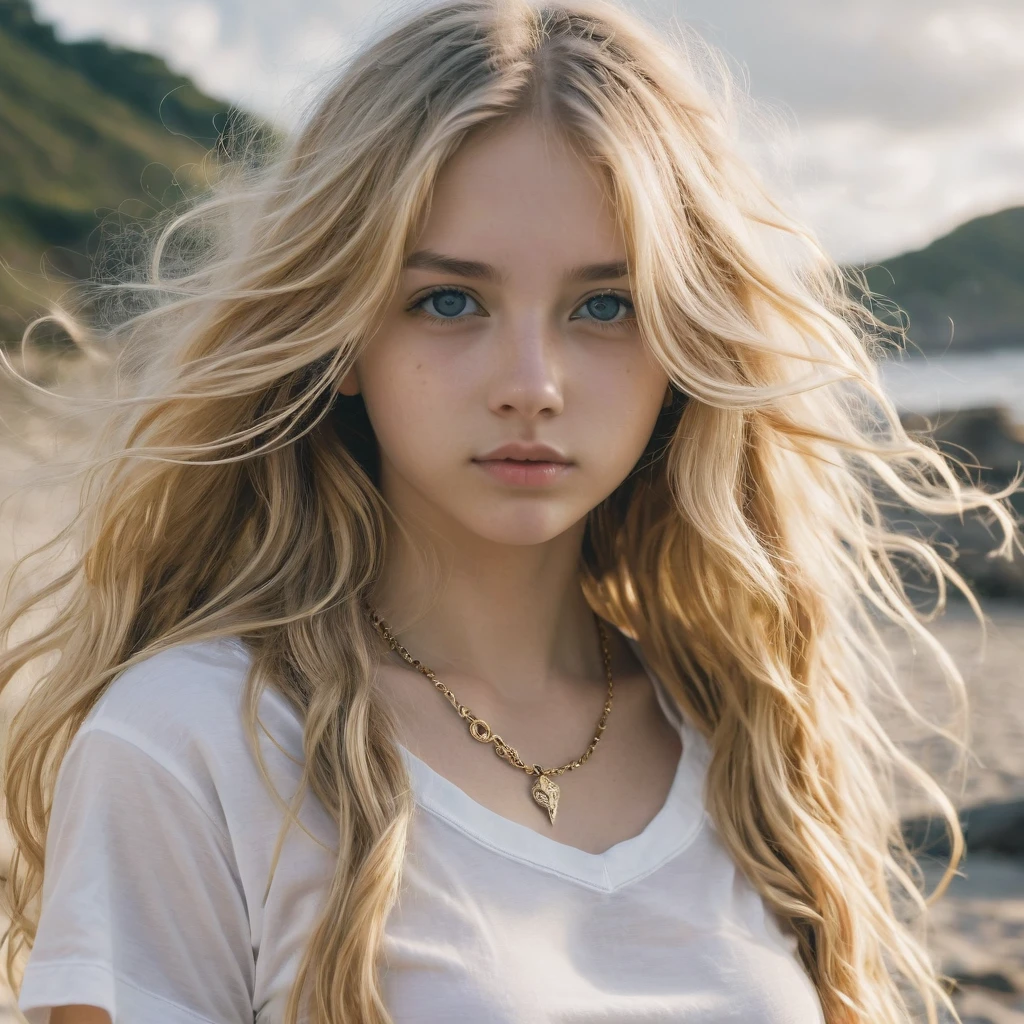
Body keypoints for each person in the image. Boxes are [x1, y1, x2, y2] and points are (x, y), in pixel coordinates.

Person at [1, 0, 1019, 1021]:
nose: (532, 383)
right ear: (343, 334)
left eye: (605, 306)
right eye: (449, 300)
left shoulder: (741, 723)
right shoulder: (191, 741)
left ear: (686, 346)